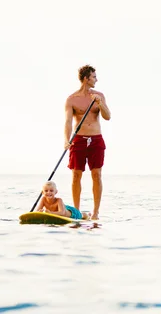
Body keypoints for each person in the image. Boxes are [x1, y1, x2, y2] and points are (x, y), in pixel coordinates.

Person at [65, 64, 111, 220]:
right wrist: (66, 140)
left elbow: (107, 116)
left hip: (96, 138)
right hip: (78, 139)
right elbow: (68, 122)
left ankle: (96, 212)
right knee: (76, 175)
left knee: (96, 175)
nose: (96, 80)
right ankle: (77, 212)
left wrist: (100, 103)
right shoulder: (72, 99)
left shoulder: (99, 95)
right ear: (86, 78)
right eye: (94, 77)